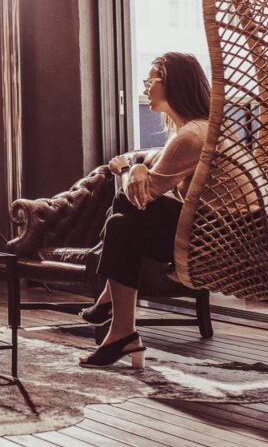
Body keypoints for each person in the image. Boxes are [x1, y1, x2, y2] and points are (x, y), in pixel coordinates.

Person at [80, 52, 211, 368]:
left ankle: (117, 319)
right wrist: (138, 167)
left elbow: (142, 195)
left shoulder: (191, 136)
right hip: (214, 227)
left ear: (172, 84)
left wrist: (130, 168)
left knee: (123, 217)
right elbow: (151, 175)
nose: (145, 89)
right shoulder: (198, 128)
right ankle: (120, 328)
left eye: (149, 81)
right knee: (121, 225)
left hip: (215, 237)